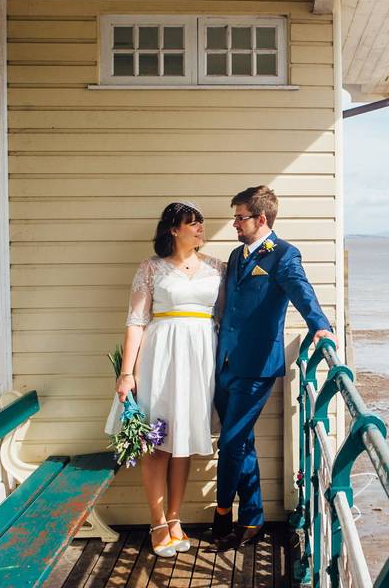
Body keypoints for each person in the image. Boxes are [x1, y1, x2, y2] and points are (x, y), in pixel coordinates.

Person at [211, 185, 337, 550]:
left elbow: (301, 290)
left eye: (240, 217)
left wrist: (320, 326)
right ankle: (252, 520)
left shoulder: (283, 255)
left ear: (260, 219)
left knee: (231, 443)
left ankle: (222, 515)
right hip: (225, 364)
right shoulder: (236, 256)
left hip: (257, 367)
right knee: (243, 442)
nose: (234, 223)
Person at [104, 202, 225, 558]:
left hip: (200, 360)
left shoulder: (218, 268)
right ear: (174, 229)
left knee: (182, 440)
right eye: (193, 223)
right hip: (159, 357)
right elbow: (136, 322)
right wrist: (127, 372)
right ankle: (157, 522)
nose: (201, 228)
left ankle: (175, 518)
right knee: (156, 443)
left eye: (201, 222)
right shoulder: (151, 268)